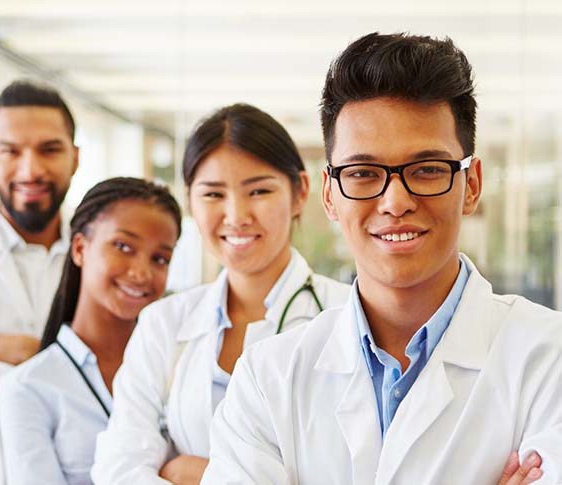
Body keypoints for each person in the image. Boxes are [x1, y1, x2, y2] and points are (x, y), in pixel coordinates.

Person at [201, 33, 562, 484]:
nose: (395, 201)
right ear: (331, 195)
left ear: (471, 185)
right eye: (364, 173)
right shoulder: (267, 377)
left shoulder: (549, 358)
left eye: (427, 169)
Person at [91, 103, 351, 484]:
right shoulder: (164, 324)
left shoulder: (348, 315)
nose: (236, 215)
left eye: (259, 191)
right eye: (213, 195)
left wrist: (185, 471)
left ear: (300, 192)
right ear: (190, 200)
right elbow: (118, 468)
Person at [0, 177, 182, 485]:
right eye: (123, 247)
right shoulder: (28, 387)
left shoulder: (178, 364)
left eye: (160, 258)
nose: (142, 273)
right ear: (80, 248)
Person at [0, 80, 79, 485]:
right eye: (11, 151)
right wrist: (64, 365)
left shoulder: (104, 259)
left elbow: (128, 387)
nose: (31, 170)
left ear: (75, 158)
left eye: (50, 149)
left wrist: (25, 357)